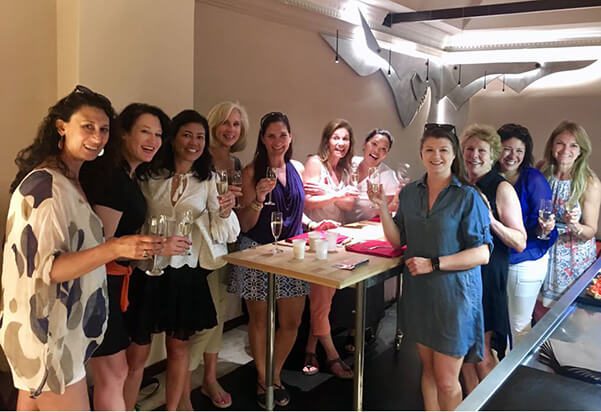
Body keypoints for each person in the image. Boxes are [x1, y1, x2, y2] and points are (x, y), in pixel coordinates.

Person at [0, 85, 161, 411]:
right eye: (87, 126)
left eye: (103, 129)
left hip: (58, 327)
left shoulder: (72, 180)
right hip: (48, 334)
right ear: (62, 126)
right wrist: (116, 248)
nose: (98, 136)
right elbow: (50, 269)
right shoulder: (46, 185)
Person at [125, 110, 239, 411]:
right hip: (148, 269)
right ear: (173, 138)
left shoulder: (209, 180)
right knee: (136, 355)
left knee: (179, 351)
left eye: (200, 137)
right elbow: (135, 218)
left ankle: (174, 409)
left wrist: (226, 211)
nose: (194, 142)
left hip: (185, 272)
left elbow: (223, 232)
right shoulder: (149, 176)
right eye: (187, 135)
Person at [373, 124, 492, 410]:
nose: (435, 156)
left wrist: (434, 264)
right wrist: (381, 208)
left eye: (443, 150)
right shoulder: (411, 193)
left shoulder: (467, 196)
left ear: (454, 155)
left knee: (447, 381)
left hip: (455, 298)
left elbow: (482, 253)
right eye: (429, 150)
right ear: (421, 153)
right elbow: (398, 239)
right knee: (426, 371)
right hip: (420, 294)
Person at [80, 102, 171, 410]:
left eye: (158, 134)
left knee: (114, 371)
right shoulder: (113, 180)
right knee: (113, 371)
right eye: (145, 131)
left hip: (115, 282)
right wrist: (155, 247)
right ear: (123, 135)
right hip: (100, 284)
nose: (153, 140)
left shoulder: (130, 176)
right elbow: (102, 244)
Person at [228, 111, 307, 408]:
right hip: (258, 251)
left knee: (292, 320)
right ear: (262, 138)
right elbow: (246, 224)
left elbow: (296, 210)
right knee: (260, 319)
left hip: (292, 253)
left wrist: (314, 225)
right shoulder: (251, 172)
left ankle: (275, 373)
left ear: (291, 138)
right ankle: (263, 379)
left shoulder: (296, 168)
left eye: (283, 135)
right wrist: (258, 199)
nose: (277, 142)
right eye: (271, 136)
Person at [178, 101, 249, 410]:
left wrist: (246, 200)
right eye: (225, 123)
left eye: (236, 124)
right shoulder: (200, 157)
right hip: (199, 247)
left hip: (225, 244)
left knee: (219, 315)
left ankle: (209, 378)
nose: (230, 129)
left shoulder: (235, 162)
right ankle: (181, 392)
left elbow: (235, 212)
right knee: (202, 321)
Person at [460, 124, 527, 393]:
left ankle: (494, 403)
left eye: (481, 150)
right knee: (464, 351)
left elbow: (520, 241)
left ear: (493, 155)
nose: (474, 155)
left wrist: (491, 222)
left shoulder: (501, 189)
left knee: (483, 353)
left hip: (487, 278)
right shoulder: (461, 185)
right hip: (462, 275)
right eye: (469, 149)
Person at [302, 119, 358, 380]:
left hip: (337, 240)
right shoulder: (315, 163)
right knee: (321, 302)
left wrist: (336, 194)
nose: (341, 143)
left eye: (345, 139)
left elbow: (348, 206)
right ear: (327, 140)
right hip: (315, 239)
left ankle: (310, 350)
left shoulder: (345, 171)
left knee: (325, 301)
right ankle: (332, 356)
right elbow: (307, 202)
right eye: (336, 138)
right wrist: (336, 195)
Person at [495, 123, 558, 342]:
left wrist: (544, 227)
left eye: (519, 151)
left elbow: (546, 224)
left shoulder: (533, 179)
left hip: (526, 261)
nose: (513, 156)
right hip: (497, 260)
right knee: (498, 323)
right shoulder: (490, 176)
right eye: (507, 149)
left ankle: (519, 375)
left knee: (519, 324)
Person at [537, 121, 600, 313]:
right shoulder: (542, 170)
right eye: (560, 143)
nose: (566, 150)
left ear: (581, 150)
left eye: (573, 145)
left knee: (568, 318)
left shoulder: (589, 182)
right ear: (551, 146)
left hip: (572, 261)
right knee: (539, 313)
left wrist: (574, 225)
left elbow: (591, 231)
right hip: (544, 252)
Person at [345, 128, 400, 222]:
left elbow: (390, 210)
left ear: (386, 154)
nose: (376, 151)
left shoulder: (388, 176)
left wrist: (377, 202)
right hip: (337, 224)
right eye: (374, 144)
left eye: (383, 149)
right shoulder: (349, 163)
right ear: (364, 144)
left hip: (364, 227)